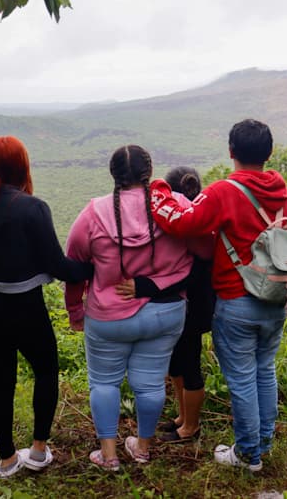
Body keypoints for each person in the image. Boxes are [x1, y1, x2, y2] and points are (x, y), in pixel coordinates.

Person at [149, 119, 287, 472]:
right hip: (275, 297)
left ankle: (248, 454)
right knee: (265, 371)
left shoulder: (223, 192)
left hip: (237, 300)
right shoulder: (286, 197)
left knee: (243, 379)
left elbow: (183, 223)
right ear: (270, 153)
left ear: (231, 152)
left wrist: (157, 189)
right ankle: (261, 443)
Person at [0, 136, 92, 478]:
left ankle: (6, 460)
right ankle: (39, 450)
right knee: (45, 371)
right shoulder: (33, 207)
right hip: (25, 305)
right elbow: (58, 265)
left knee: (2, 379)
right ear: (22, 165)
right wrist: (94, 267)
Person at [64, 145, 192, 471]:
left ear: (113, 175)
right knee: (150, 383)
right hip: (165, 313)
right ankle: (143, 448)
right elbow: (202, 244)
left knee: (104, 383)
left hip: (108, 316)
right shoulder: (175, 205)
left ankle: (108, 456)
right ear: (149, 173)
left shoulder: (92, 214)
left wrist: (75, 312)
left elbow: (74, 269)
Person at [118, 166, 216, 443]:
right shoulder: (191, 223)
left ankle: (191, 426)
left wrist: (145, 287)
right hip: (185, 308)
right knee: (177, 365)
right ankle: (182, 417)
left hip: (193, 310)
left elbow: (186, 276)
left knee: (190, 365)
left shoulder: (194, 230)